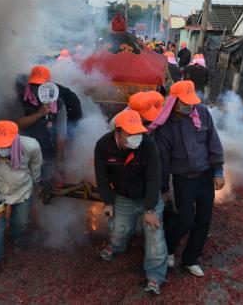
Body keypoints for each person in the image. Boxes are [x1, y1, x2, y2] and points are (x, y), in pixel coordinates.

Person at [151, 80, 225, 278]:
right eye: (185, 102)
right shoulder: (165, 126)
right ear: (174, 102)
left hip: (205, 175)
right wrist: (164, 187)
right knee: (185, 220)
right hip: (183, 179)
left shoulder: (202, 113)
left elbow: (213, 142)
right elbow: (163, 161)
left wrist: (218, 171)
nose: (190, 106)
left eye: (191, 102)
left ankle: (191, 259)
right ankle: (169, 248)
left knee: (203, 220)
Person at [95, 109, 167, 295]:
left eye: (139, 132)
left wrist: (150, 209)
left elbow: (154, 178)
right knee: (119, 229)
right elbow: (102, 176)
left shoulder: (148, 145)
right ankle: (117, 247)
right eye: (131, 133)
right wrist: (108, 201)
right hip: (123, 196)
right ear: (118, 132)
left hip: (148, 195)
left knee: (154, 236)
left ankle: (155, 277)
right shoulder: (103, 145)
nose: (137, 137)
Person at [0, 120, 42, 279]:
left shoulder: (31, 146)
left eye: (7, 146)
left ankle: (16, 236)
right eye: (0, 146)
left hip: (22, 189)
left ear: (16, 139)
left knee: (20, 221)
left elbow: (36, 164)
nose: (3, 150)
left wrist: (36, 180)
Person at [16, 66, 67, 185]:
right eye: (34, 84)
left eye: (41, 84)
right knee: (26, 184)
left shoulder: (59, 104)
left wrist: (58, 165)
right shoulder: (22, 100)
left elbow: (61, 135)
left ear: (49, 84)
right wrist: (39, 114)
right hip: (25, 152)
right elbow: (18, 123)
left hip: (48, 151)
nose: (37, 88)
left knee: (46, 183)